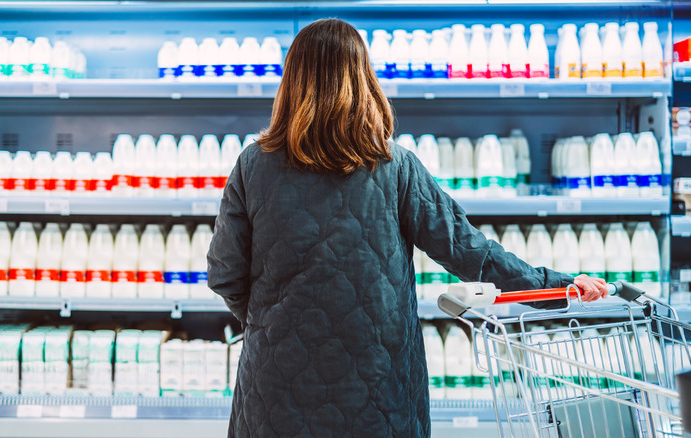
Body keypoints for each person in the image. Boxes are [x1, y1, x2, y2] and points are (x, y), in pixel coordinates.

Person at [207, 18, 608, 438]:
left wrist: (272, 318)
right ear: (364, 80)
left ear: (291, 82)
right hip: (380, 392)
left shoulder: (252, 165)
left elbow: (224, 273)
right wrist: (557, 287)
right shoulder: (396, 167)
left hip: (275, 394)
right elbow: (471, 253)